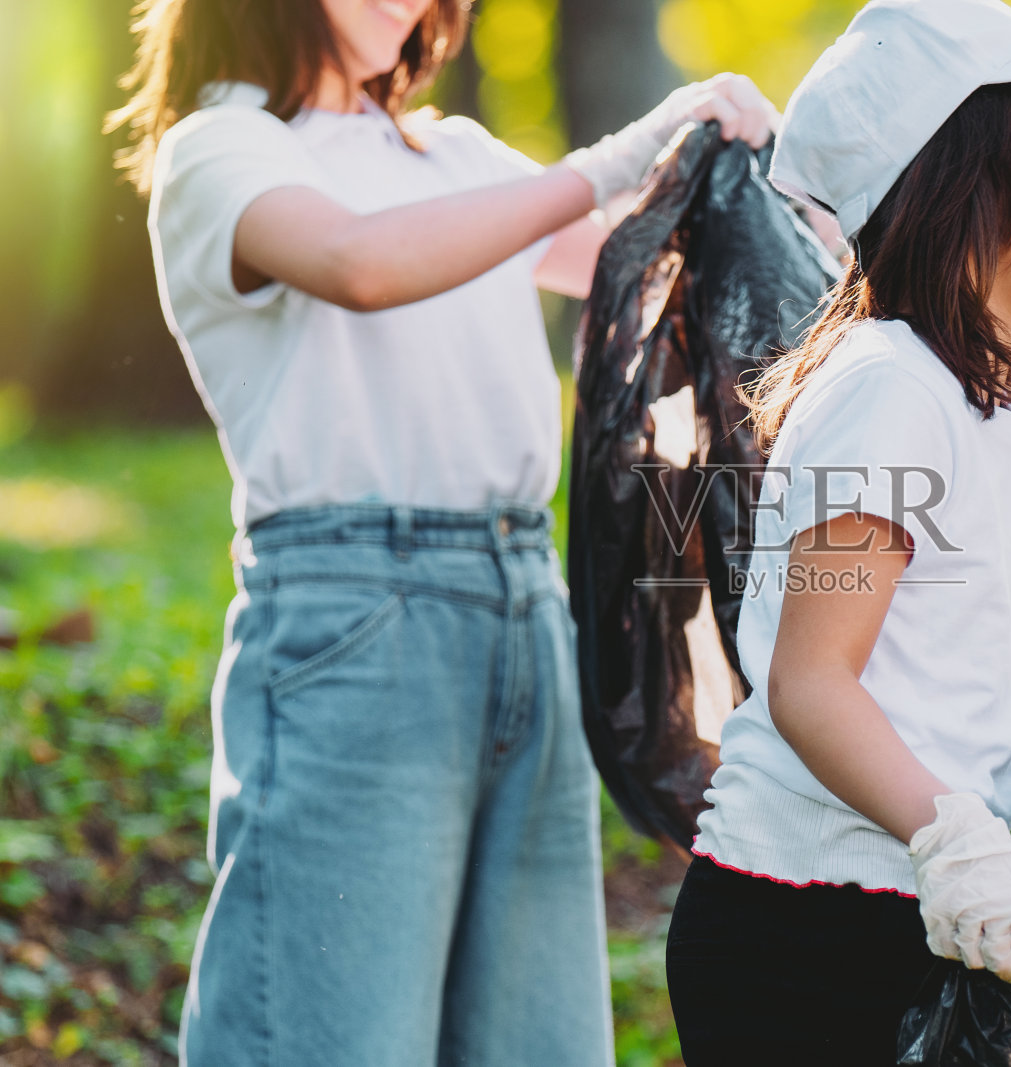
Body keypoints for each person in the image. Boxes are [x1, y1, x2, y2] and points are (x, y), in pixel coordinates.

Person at [108, 1, 775, 1063]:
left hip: (524, 606)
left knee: (534, 1040)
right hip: (352, 621)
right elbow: (360, 263)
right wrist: (615, 157)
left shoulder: (455, 154)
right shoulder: (223, 148)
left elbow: (648, 266)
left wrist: (765, 168)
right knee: (334, 1036)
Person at [663, 1, 1011, 1063]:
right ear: (959, 183)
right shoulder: (889, 389)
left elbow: (937, 692)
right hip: (798, 928)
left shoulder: (1005, 415)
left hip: (914, 907)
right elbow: (814, 684)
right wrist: (954, 837)